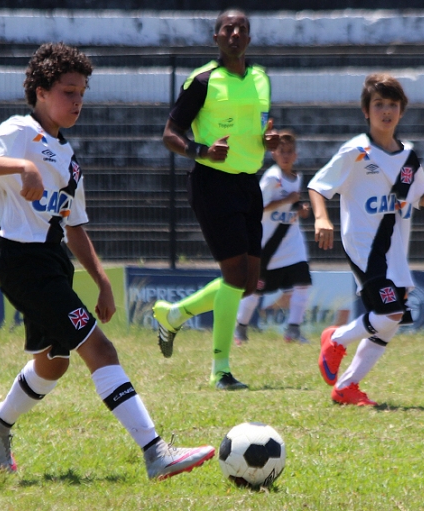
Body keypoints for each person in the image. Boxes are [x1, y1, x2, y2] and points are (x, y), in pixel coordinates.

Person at [0, 43, 214, 479]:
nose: (77, 101)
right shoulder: (20, 131)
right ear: (41, 92)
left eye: (81, 93)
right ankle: (156, 453)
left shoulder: (69, 161)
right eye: (68, 92)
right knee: (99, 348)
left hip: (52, 261)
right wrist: (21, 166)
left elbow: (74, 227)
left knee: (53, 362)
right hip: (21, 261)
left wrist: (102, 281)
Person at [308, 73, 424, 406]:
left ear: (401, 111)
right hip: (364, 247)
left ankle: (347, 386)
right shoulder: (356, 151)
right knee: (390, 313)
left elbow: (420, 196)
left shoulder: (409, 156)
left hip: (395, 251)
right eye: (379, 104)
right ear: (366, 111)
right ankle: (335, 338)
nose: (386, 111)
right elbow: (318, 185)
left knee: (390, 322)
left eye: (392, 104)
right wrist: (321, 217)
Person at [156, 9, 279, 390]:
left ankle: (174, 315)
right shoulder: (202, 81)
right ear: (216, 37)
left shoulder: (261, 77)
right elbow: (170, 133)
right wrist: (202, 150)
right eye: (228, 28)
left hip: (249, 183)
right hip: (212, 183)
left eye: (242, 28)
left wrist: (267, 141)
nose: (235, 33)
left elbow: (258, 126)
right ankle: (220, 370)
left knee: (248, 283)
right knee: (235, 277)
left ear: (249, 37)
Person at [234, 130, 312, 346]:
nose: (285, 155)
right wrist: (286, 201)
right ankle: (240, 328)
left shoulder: (297, 178)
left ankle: (293, 330)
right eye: (281, 151)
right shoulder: (272, 177)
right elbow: (257, 207)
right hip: (268, 247)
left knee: (303, 284)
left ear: (295, 155)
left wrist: (300, 208)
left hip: (292, 243)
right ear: (274, 154)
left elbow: (291, 204)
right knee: (256, 290)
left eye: (289, 151)